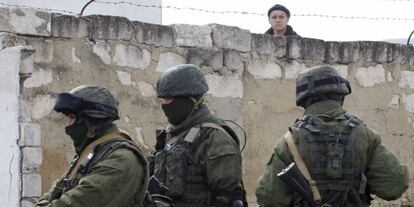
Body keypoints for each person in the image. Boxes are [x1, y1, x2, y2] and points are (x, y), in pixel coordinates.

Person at [255, 66, 409, 207]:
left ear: (303, 100)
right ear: (340, 95)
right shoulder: (366, 135)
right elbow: (394, 186)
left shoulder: (289, 142)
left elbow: (269, 198)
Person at [148, 64, 247, 207]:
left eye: (169, 99)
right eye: (163, 99)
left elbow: (229, 200)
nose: (164, 104)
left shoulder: (215, 137)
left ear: (190, 100)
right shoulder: (170, 134)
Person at [35, 85, 149, 207]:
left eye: (72, 117)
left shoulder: (122, 159)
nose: (67, 125)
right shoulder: (92, 154)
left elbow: (76, 202)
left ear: (92, 122)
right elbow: (55, 192)